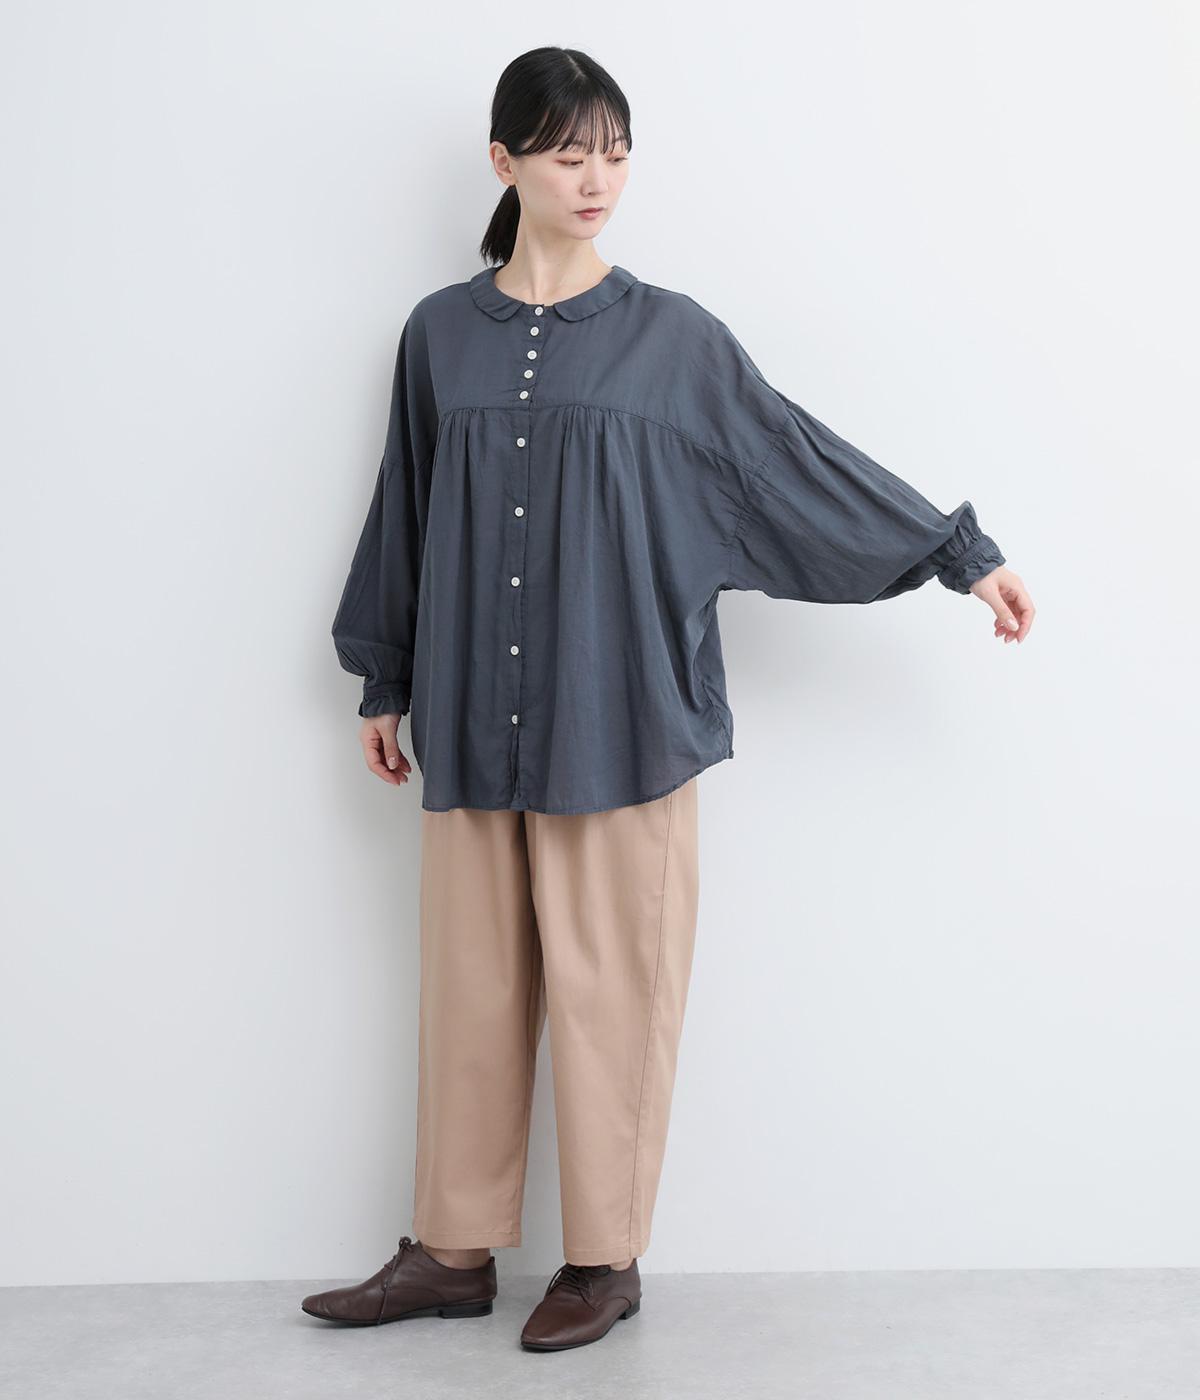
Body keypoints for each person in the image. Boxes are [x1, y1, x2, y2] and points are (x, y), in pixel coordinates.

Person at [302, 45, 1035, 1353]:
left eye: (616, 151)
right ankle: (452, 1253)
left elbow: (792, 464)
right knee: (469, 993)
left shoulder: (673, 341)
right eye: (569, 151)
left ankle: (603, 1260)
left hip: (619, 718)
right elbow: (405, 506)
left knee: (611, 998)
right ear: (505, 162)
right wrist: (385, 675)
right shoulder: (438, 336)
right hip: (468, 714)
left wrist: (953, 553)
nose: (598, 177)